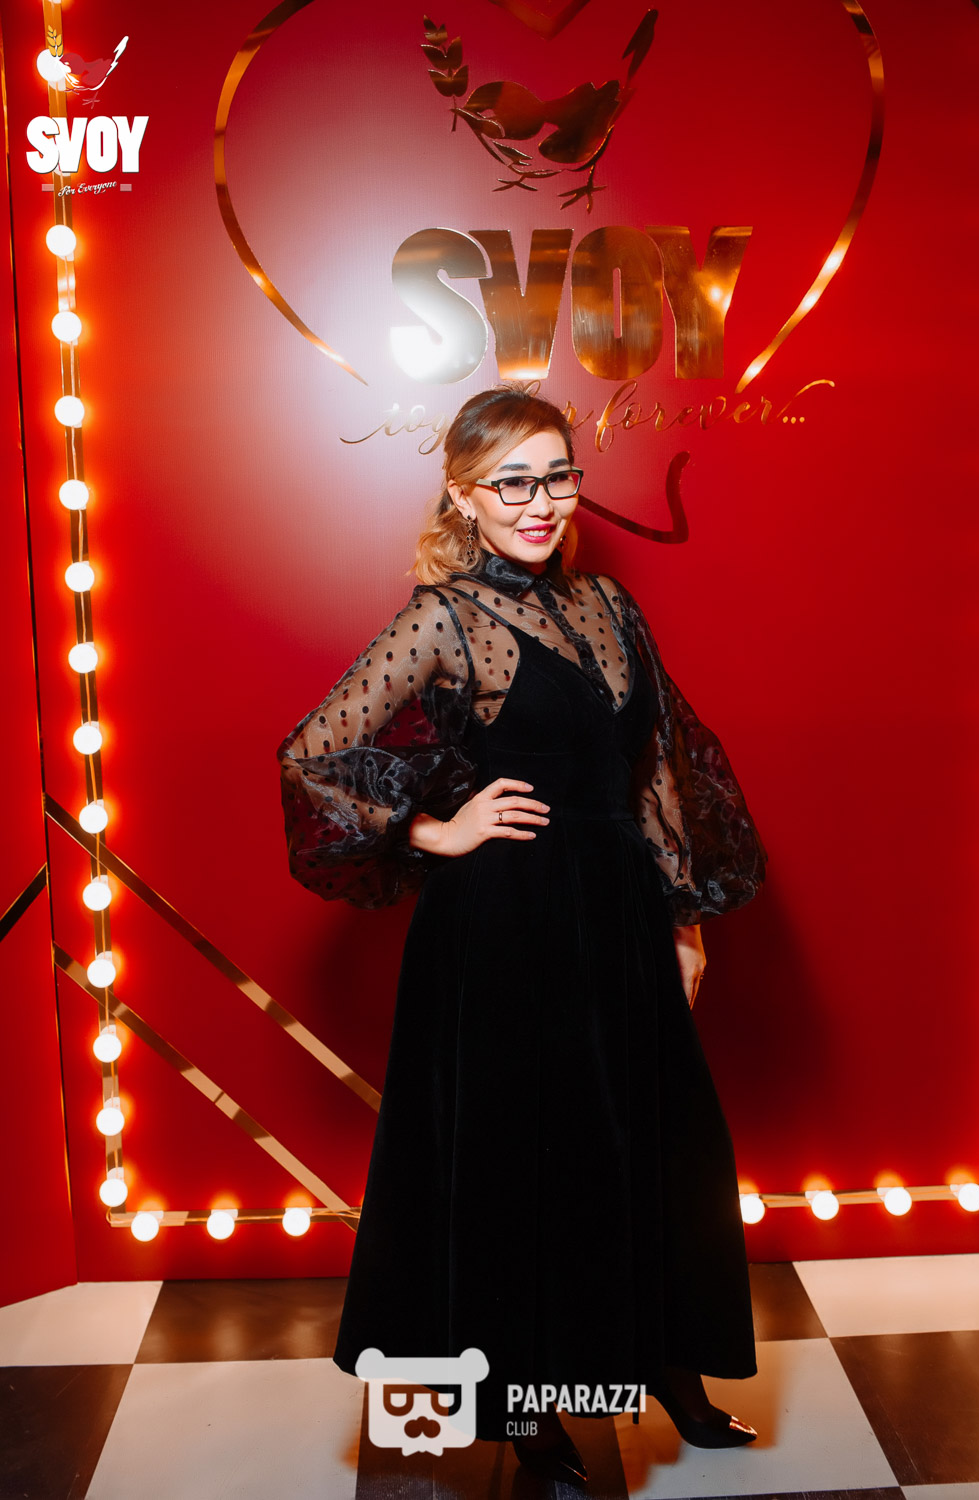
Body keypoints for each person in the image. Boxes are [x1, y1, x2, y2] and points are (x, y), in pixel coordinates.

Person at [277, 384, 768, 1485]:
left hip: (620, 913)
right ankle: (533, 1414)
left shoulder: (606, 604)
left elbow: (653, 767)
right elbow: (313, 753)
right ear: (463, 495)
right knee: (525, 1169)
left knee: (653, 1141)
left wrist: (684, 920)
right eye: (511, 483)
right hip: (502, 930)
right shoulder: (442, 617)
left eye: (557, 476)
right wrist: (433, 830)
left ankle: (667, 1366)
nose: (539, 502)